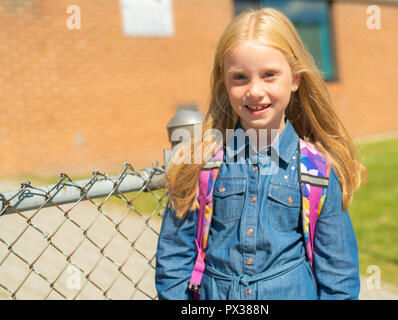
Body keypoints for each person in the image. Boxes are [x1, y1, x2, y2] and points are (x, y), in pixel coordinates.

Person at [155, 7, 367, 300]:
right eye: (240, 77)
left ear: (295, 79)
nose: (255, 91)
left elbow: (339, 278)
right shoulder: (200, 164)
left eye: (269, 75)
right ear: (225, 82)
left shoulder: (318, 172)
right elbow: (173, 259)